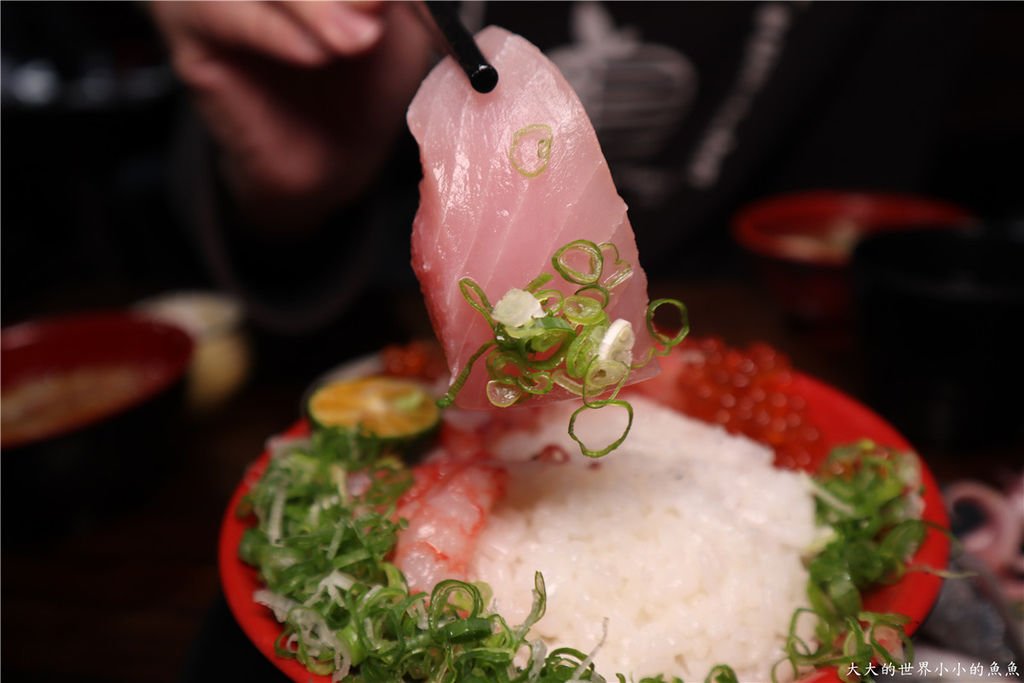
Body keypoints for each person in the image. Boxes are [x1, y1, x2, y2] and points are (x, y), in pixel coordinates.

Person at [150, 1, 981, 334]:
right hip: (380, 337)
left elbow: (869, 257)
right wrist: (295, 193)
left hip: (736, 347)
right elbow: (249, 226)